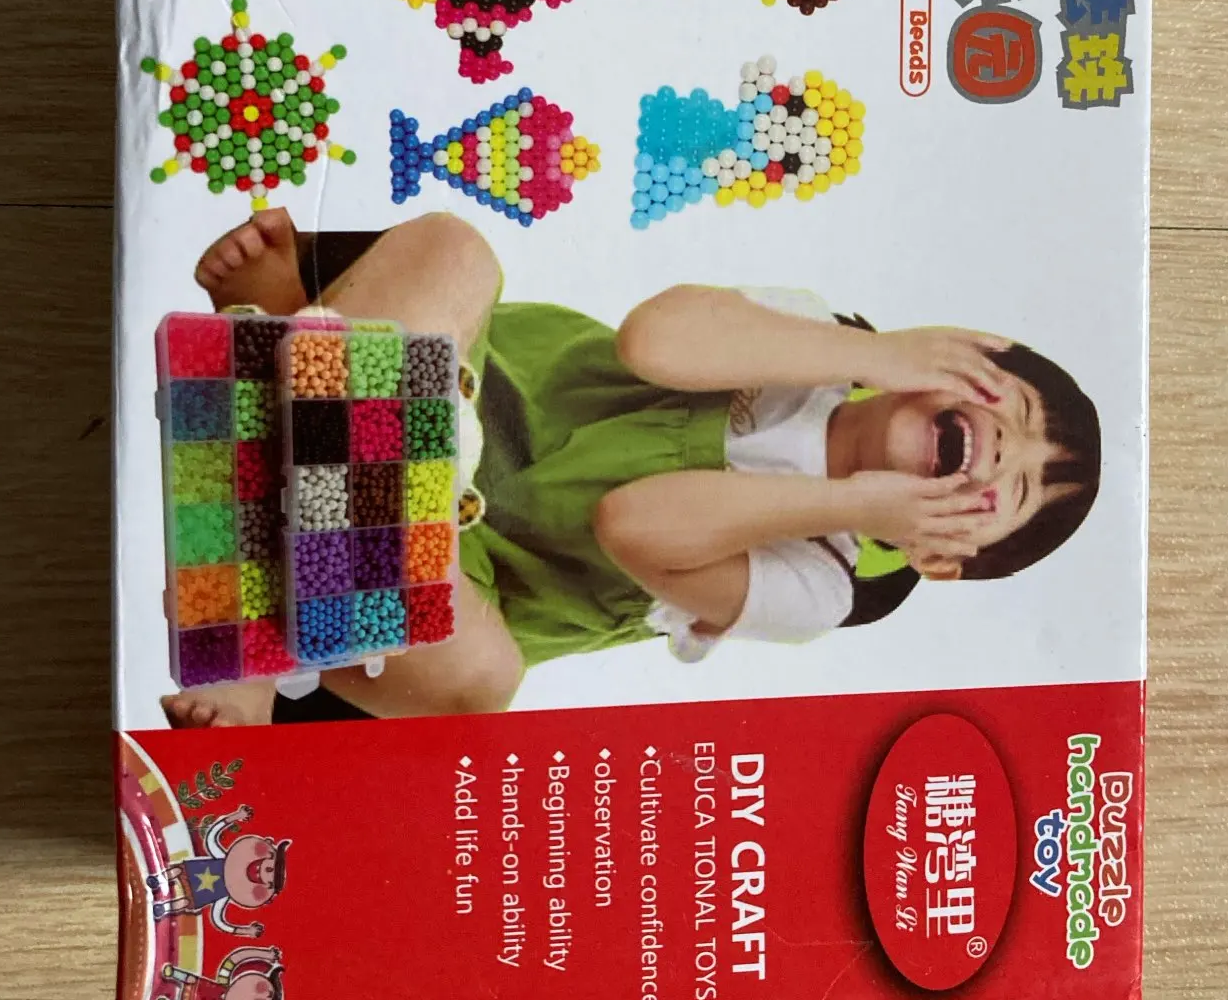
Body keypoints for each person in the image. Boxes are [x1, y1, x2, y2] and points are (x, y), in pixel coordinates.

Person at [163, 209, 1099, 728]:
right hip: (460, 392)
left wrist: (846, 500)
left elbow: (632, 524)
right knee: (456, 252)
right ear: (951, 350)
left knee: (481, 682)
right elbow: (653, 341)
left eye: (1009, 488)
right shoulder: (820, 341)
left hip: (450, 569)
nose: (999, 448)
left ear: (939, 559)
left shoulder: (824, 587)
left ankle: (262, 612)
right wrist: (871, 352)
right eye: (1008, 411)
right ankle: (299, 371)